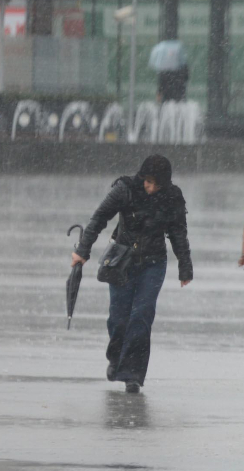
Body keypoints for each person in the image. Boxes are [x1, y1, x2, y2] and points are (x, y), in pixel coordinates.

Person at [71, 155, 192, 394]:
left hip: (153, 263)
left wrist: (185, 266)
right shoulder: (124, 189)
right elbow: (99, 218)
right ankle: (116, 358)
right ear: (141, 177)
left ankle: (133, 374)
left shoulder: (172, 197)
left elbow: (178, 233)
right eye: (147, 181)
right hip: (121, 261)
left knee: (142, 316)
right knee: (119, 318)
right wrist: (82, 251)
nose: (150, 188)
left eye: (156, 184)